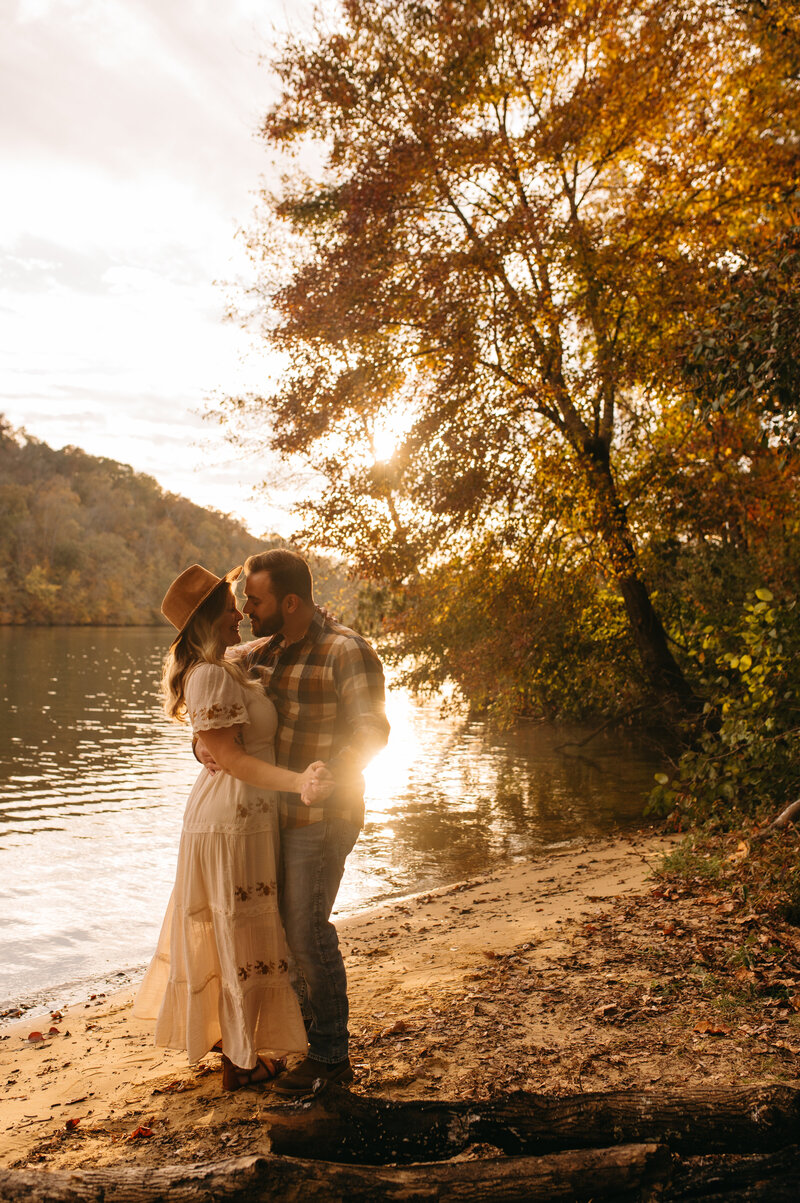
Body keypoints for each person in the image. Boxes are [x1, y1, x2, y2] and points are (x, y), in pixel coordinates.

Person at [196, 548, 390, 1095]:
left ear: (289, 601)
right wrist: (200, 746)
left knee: (306, 934)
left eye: (254, 600)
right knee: (282, 934)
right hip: (266, 818)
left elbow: (374, 728)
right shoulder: (262, 650)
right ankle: (307, 1045)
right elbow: (213, 703)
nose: (247, 609)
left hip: (323, 816)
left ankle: (331, 1060)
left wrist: (338, 766)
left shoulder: (346, 650)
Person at [133, 563, 331, 1092]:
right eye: (229, 607)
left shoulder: (225, 664)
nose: (240, 613)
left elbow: (218, 732)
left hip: (242, 816)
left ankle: (238, 1053)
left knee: (236, 934)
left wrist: (203, 741)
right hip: (231, 817)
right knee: (236, 933)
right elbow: (233, 759)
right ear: (207, 620)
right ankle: (240, 1062)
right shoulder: (211, 674)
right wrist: (299, 783)